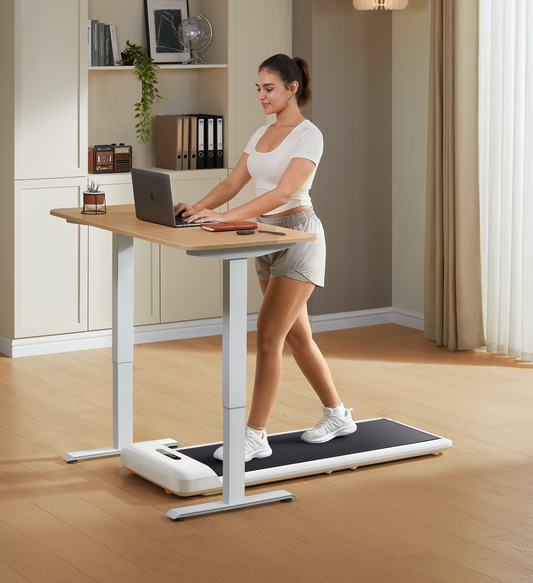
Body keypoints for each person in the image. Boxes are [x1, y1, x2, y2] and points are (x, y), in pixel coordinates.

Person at [174, 54, 356, 461]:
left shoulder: (310, 135)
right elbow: (233, 182)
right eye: (258, 88)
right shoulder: (260, 134)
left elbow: (279, 194)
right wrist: (197, 210)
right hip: (263, 238)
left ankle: (254, 435)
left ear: (293, 88)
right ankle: (338, 414)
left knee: (270, 334)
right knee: (296, 335)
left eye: (268, 87)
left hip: (298, 235)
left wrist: (223, 217)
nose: (261, 95)